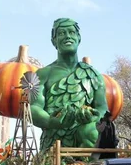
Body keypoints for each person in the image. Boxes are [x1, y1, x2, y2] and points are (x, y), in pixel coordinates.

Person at [30, 18, 109, 152]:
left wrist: (93, 116)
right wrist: (51, 121)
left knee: (92, 132)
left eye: (72, 32)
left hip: (85, 143)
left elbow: (103, 109)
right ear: (53, 41)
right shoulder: (40, 75)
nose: (67, 36)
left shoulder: (94, 75)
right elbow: (33, 108)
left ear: (79, 38)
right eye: (61, 33)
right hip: (52, 147)